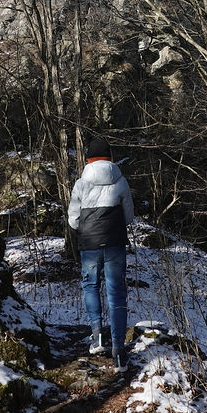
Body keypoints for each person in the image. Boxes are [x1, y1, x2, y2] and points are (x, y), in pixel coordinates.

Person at [67, 138, 134, 372]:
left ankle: (96, 338)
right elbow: (129, 216)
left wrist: (85, 228)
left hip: (90, 243)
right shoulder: (120, 180)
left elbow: (73, 218)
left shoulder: (81, 184)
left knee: (91, 286)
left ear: (89, 159)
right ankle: (118, 351)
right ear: (109, 157)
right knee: (117, 293)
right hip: (115, 242)